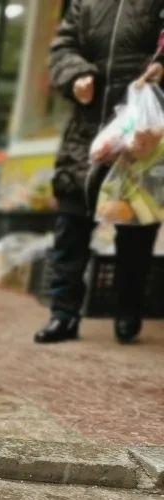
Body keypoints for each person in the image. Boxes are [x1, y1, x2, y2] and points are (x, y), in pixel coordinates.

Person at [39, 1, 163, 344]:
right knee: (70, 226)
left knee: (135, 231)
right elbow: (63, 45)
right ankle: (62, 315)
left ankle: (128, 311)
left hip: (142, 130)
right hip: (87, 131)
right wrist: (76, 74)